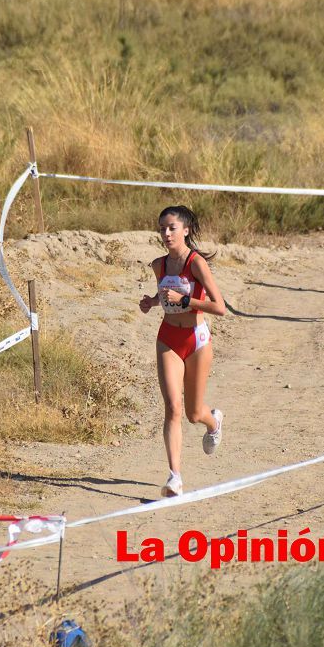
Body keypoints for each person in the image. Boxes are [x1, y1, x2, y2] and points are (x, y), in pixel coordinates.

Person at [138, 206, 227, 497]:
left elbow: (220, 307)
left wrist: (187, 299)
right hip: (168, 338)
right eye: (162, 228)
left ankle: (213, 422)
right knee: (173, 408)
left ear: (185, 230)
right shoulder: (158, 265)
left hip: (196, 340)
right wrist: (151, 302)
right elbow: (164, 296)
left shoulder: (196, 263)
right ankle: (175, 477)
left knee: (192, 412)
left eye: (172, 228)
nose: (166, 233)